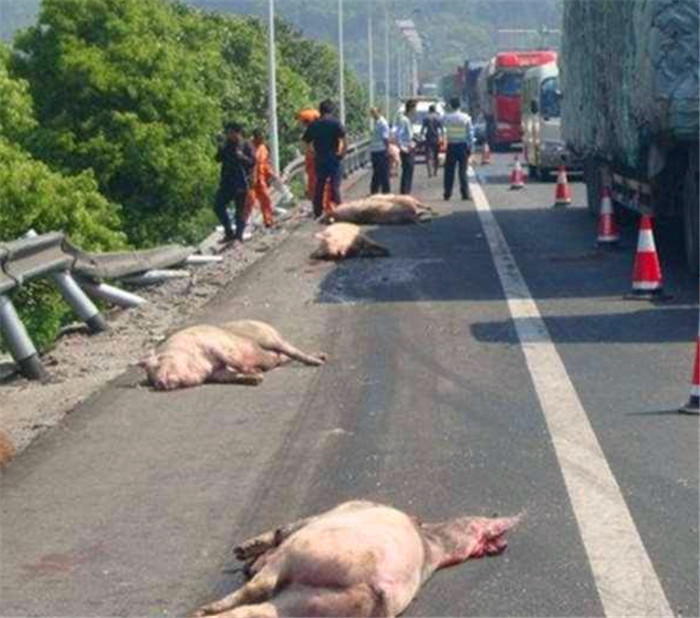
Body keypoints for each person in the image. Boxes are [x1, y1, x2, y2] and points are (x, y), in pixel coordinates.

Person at [303, 99, 347, 219]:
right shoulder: (335, 123)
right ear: (331, 110)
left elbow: (305, 141)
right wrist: (342, 152)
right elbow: (343, 139)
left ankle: (318, 211)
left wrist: (312, 152)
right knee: (335, 186)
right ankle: (340, 210)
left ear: (320, 110)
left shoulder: (314, 124)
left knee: (320, 185)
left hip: (320, 158)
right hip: (334, 158)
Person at [214, 122, 256, 243]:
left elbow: (253, 162)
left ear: (238, 133)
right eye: (228, 133)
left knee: (240, 210)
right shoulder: (227, 145)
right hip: (227, 182)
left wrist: (241, 156)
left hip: (241, 183)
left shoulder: (246, 145)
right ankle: (229, 231)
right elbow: (217, 159)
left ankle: (238, 236)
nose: (230, 135)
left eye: (232, 133)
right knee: (218, 206)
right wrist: (220, 147)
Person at [246, 128, 279, 228]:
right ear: (255, 138)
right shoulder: (248, 147)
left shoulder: (263, 148)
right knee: (249, 202)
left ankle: (268, 221)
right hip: (250, 180)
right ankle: (242, 225)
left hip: (261, 179)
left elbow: (265, 164)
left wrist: (272, 174)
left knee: (266, 199)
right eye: (260, 138)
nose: (262, 140)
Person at [442, 97, 474, 201]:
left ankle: (447, 193)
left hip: (451, 146)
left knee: (449, 171)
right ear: (460, 105)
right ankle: (465, 194)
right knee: (462, 171)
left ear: (451, 105)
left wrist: (446, 108)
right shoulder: (466, 118)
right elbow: (470, 135)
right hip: (462, 146)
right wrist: (471, 148)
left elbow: (440, 122)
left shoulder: (447, 117)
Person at [395, 99, 417, 194]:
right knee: (407, 171)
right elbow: (398, 134)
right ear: (411, 109)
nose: (415, 111)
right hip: (406, 150)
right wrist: (402, 147)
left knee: (409, 171)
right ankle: (405, 192)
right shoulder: (404, 120)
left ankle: (406, 191)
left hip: (409, 148)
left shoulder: (407, 120)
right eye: (415, 108)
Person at [369, 107, 391, 194]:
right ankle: (374, 192)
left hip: (381, 150)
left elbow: (386, 138)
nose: (372, 115)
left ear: (379, 112)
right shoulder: (377, 123)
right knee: (377, 173)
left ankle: (386, 193)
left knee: (383, 173)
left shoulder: (383, 123)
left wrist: (388, 150)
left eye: (374, 113)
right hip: (375, 151)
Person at [420, 104, 443, 178]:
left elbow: (423, 129)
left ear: (429, 110)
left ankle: (429, 172)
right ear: (435, 110)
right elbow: (441, 129)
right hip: (436, 138)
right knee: (436, 156)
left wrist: (421, 136)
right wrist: (442, 137)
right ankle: (435, 172)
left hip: (428, 138)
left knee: (428, 156)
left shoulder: (426, 118)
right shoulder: (438, 118)